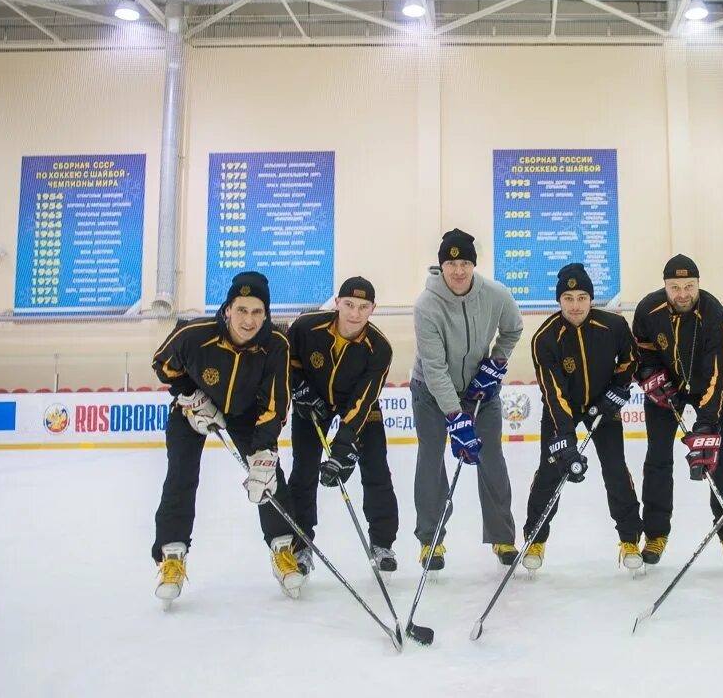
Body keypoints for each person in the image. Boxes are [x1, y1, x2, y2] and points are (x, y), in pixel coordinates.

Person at [150, 271, 302, 604]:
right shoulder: (194, 334)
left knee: (269, 477)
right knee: (181, 475)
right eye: (242, 310)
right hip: (193, 410)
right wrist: (190, 394)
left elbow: (275, 403)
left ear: (266, 314)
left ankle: (282, 550)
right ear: (228, 309)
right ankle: (172, 556)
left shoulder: (275, 344)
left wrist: (264, 451)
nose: (249, 320)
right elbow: (162, 365)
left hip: (247, 415)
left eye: (257, 312)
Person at [410, 229, 524, 569]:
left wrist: (496, 363)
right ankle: (431, 541)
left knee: (491, 458)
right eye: (450, 263)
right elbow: (434, 367)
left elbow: (513, 328)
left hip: (481, 391)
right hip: (431, 392)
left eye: (464, 263)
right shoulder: (426, 305)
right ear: (441, 265)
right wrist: (455, 416)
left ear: (473, 264)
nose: (458, 270)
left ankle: (502, 537)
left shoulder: (494, 294)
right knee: (431, 460)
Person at [523, 263, 644, 571]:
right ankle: (535, 538)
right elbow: (553, 391)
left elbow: (630, 359)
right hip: (561, 410)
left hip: (604, 407)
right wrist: (564, 436)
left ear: (591, 298)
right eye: (568, 298)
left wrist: (618, 390)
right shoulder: (545, 338)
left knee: (615, 469)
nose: (575, 305)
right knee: (551, 470)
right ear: (559, 301)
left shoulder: (613, 326)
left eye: (581, 297)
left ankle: (630, 539)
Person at [631, 254, 723, 567]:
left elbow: (719, 372)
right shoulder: (648, 310)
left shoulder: (714, 313)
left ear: (698, 285)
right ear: (664, 285)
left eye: (689, 286)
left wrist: (706, 425)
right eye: (675, 286)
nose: (682, 293)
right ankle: (655, 534)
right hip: (666, 393)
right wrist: (650, 377)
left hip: (710, 390)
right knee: (658, 460)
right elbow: (642, 351)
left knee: (720, 461)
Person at [286, 276, 398, 573]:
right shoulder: (306, 327)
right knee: (304, 470)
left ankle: (382, 543)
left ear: (373, 309)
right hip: (311, 404)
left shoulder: (379, 348)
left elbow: (363, 400)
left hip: (359, 407)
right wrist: (299, 389)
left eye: (363, 307)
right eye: (348, 304)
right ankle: (300, 546)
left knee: (376, 467)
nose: (354, 313)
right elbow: (286, 360)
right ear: (337, 303)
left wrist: (343, 446)